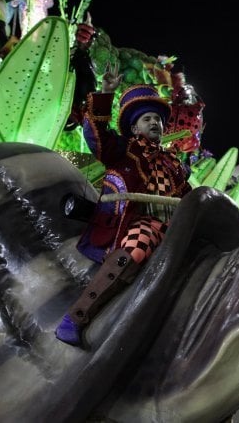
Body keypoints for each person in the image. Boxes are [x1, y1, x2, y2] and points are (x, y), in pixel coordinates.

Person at [55, 67, 192, 347]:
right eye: (147, 118)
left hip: (175, 227)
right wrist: (106, 93)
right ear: (134, 127)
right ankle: (76, 318)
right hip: (137, 222)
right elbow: (96, 135)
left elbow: (187, 196)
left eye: (157, 119)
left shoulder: (174, 164)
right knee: (137, 246)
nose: (154, 122)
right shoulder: (121, 150)